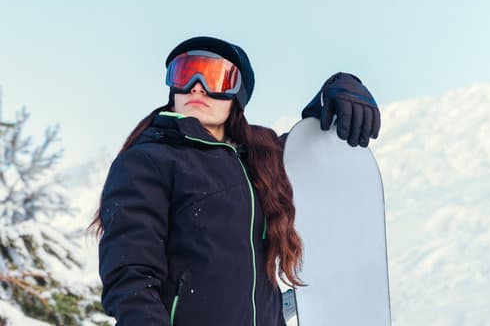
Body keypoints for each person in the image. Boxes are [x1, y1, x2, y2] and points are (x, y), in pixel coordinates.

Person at [89, 36, 380, 326]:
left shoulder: (258, 160)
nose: (197, 85)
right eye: (185, 72)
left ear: (237, 95)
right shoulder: (148, 161)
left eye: (215, 76)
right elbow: (130, 278)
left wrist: (339, 89)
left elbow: (306, 152)